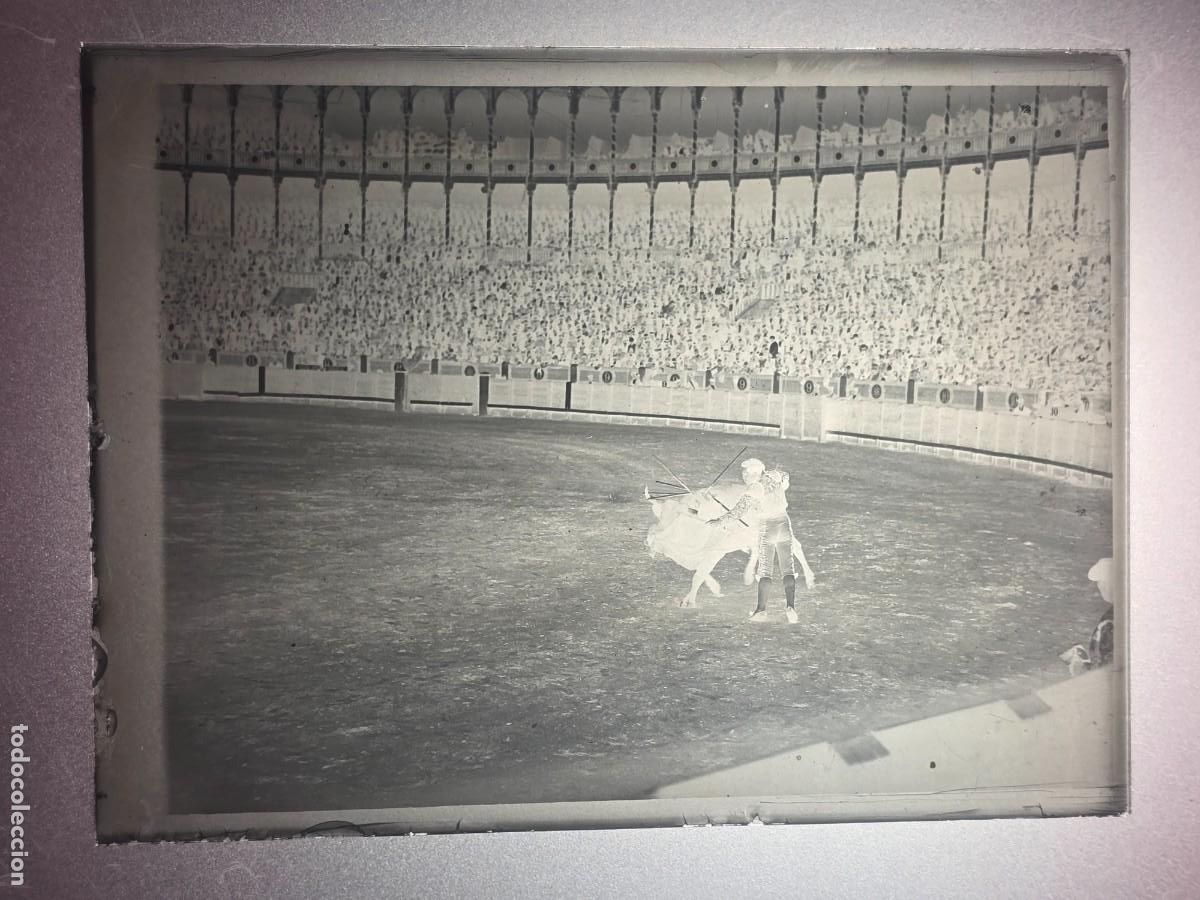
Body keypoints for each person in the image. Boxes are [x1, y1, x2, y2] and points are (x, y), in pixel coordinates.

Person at [710, 458, 800, 624]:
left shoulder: (755, 488)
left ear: (753, 473)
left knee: (765, 570)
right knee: (788, 567)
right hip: (785, 523)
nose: (743, 476)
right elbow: (785, 476)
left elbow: (738, 511)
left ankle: (761, 610)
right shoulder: (775, 475)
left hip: (767, 527)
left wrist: (718, 521)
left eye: (746, 473)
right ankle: (790, 606)